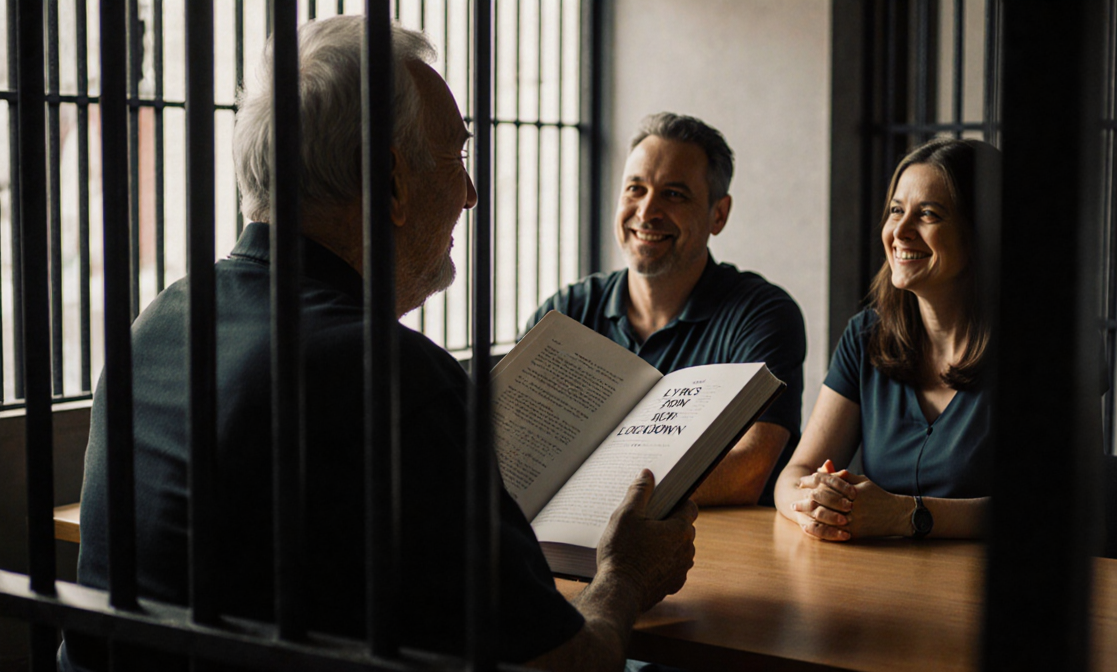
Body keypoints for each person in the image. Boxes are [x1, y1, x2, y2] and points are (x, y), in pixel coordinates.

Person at [59, 16, 696, 672]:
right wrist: (623, 576)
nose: (470, 194)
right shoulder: (386, 373)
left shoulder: (160, 323)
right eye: (457, 157)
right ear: (392, 181)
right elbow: (563, 666)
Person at [526, 112, 807, 507]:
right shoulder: (563, 315)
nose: (646, 211)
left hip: (719, 554)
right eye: (635, 189)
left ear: (719, 214)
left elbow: (748, 470)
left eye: (674, 194)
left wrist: (595, 492)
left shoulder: (762, 316)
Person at [774, 137, 999, 541]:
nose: (900, 231)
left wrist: (904, 516)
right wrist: (817, 507)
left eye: (928, 214)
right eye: (896, 211)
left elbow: (1059, 508)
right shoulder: (866, 335)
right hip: (881, 582)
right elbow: (795, 473)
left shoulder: (1053, 348)